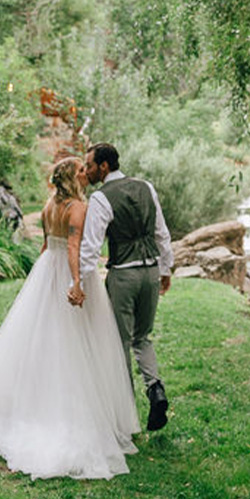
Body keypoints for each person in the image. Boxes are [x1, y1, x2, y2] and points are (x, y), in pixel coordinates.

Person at [0, 157, 140, 479]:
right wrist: (76, 282)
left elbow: (46, 245)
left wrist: (41, 280)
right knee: (75, 342)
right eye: (80, 169)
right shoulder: (78, 207)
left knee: (41, 339)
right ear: (71, 177)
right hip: (66, 270)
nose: (85, 173)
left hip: (47, 270)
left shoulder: (51, 204)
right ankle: (70, 415)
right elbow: (73, 246)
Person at [71, 142, 174, 432]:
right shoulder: (146, 187)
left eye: (89, 165)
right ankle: (155, 388)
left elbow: (91, 247)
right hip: (150, 272)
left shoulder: (102, 199)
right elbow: (161, 233)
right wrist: (165, 269)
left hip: (124, 277)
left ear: (104, 166)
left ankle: (125, 415)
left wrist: (77, 283)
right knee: (143, 337)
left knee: (119, 344)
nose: (87, 171)